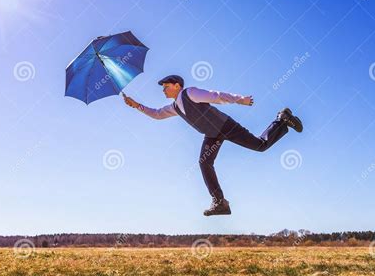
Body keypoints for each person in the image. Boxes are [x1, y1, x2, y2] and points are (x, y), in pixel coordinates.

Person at [123, 75, 303, 216]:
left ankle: (281, 120)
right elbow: (156, 114)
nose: (163, 90)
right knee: (204, 162)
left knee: (260, 146)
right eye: (163, 87)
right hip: (212, 135)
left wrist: (240, 100)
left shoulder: (189, 93)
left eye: (166, 86)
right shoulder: (175, 107)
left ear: (177, 85)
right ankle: (220, 202)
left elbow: (215, 96)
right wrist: (136, 105)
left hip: (226, 126)